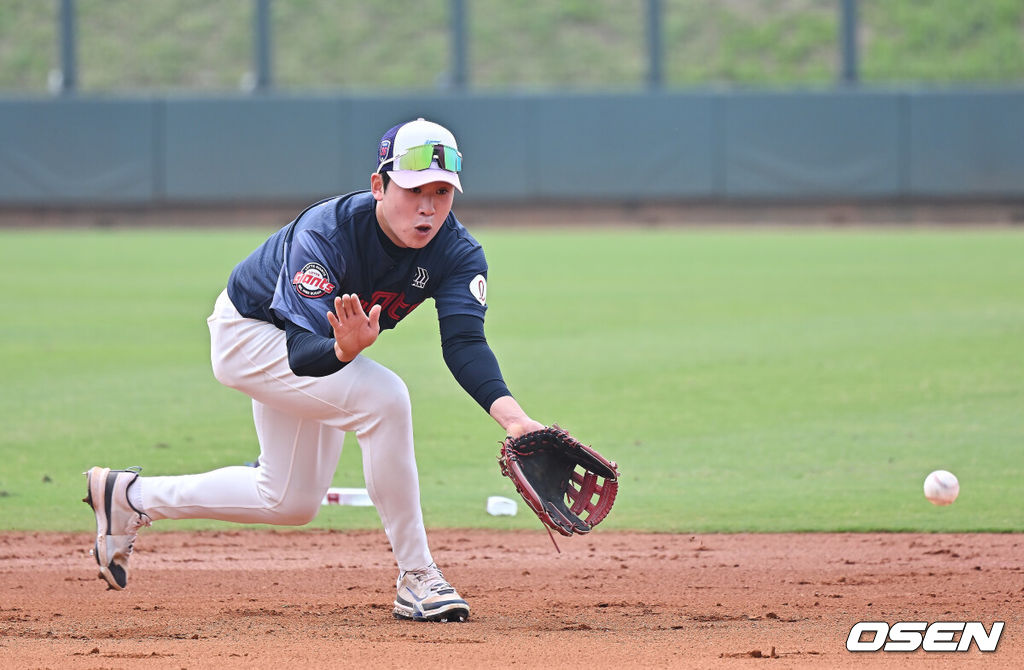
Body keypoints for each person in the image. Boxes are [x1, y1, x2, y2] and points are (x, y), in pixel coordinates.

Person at [83, 117, 543, 623]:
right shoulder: (327, 233)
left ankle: (129, 496)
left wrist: (515, 419)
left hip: (316, 349)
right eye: (413, 190)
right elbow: (303, 354)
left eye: (441, 191)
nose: (429, 207)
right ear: (378, 186)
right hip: (250, 335)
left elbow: (464, 343)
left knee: (288, 499)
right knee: (384, 399)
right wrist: (344, 352)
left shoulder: (457, 251)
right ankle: (418, 576)